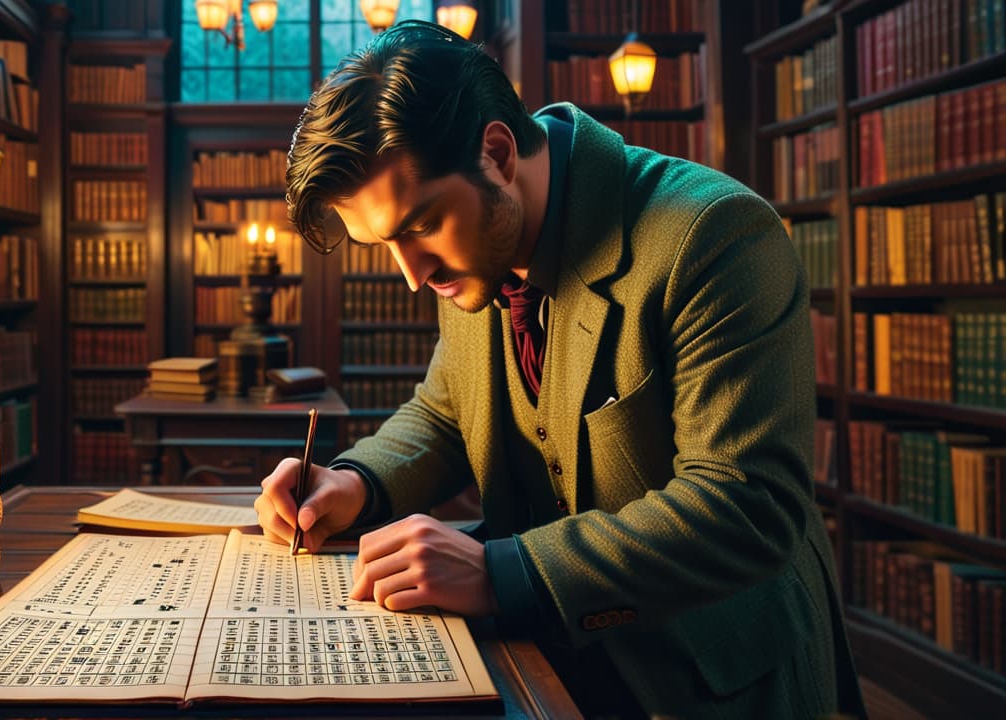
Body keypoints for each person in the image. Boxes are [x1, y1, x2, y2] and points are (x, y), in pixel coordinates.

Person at [255, 19, 866, 720]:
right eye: (385, 244)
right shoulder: (477, 243)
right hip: (549, 668)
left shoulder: (715, 234)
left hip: (710, 682)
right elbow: (446, 412)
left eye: (419, 226)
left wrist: (501, 572)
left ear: (496, 150)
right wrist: (355, 482)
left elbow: (748, 504)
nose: (413, 276)